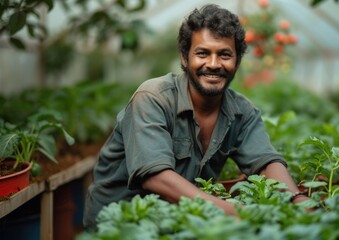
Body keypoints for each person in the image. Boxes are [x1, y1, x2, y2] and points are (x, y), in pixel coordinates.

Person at [83, 4, 309, 230]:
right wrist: (233, 211)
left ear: (237, 61)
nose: (213, 64)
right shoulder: (152, 99)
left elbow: (266, 162)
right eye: (202, 53)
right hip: (119, 225)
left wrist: (297, 200)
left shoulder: (242, 112)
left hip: (178, 220)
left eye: (224, 54)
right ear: (184, 58)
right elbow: (155, 176)